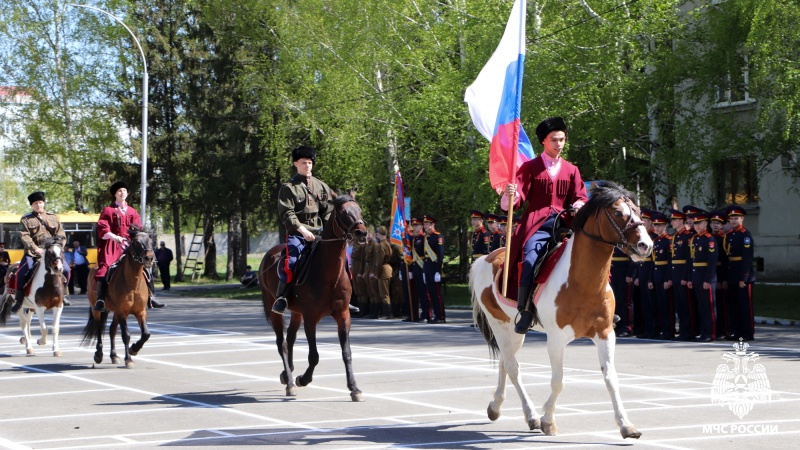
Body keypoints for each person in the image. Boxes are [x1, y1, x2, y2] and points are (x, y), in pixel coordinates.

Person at [503, 117, 588, 334]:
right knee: (530, 259)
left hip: (564, 223)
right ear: (544, 141)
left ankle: (597, 304)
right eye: (554, 140)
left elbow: (580, 196)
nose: (559, 144)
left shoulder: (572, 169)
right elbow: (518, 197)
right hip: (537, 225)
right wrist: (510, 194)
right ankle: (525, 311)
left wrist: (579, 205)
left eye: (562, 139)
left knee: (591, 253)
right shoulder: (529, 167)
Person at [272, 145, 335, 315]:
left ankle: (343, 298)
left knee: (341, 261)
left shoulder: (321, 186)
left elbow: (328, 212)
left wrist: (329, 232)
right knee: (292, 262)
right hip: (298, 233)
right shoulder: (289, 187)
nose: (307, 166)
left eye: (309, 162)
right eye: (303, 163)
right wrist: (302, 231)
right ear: (295, 164)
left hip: (319, 233)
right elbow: (287, 213)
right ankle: (282, 297)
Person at [93, 182, 164, 312]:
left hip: (130, 246)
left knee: (145, 268)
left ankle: (152, 296)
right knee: (104, 270)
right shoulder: (108, 210)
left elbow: (138, 228)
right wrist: (115, 237)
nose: (122, 193)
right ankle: (101, 300)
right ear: (115, 194)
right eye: (119, 191)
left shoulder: (132, 211)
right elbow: (103, 228)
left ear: (127, 193)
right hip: (112, 246)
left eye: (124, 190)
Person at [10, 191, 70, 313]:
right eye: (36, 203)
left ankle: (64, 294)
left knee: (67, 270)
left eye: (40, 203)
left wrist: (58, 246)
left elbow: (61, 233)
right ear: (32, 205)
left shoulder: (52, 217)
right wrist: (35, 249)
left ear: (44, 203)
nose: (39, 205)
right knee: (21, 273)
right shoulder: (26, 219)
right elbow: (24, 236)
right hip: (33, 254)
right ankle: (19, 300)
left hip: (52, 253)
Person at [723, 204, 755, 341]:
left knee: (744, 305)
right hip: (732, 275)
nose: (733, 221)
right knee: (734, 305)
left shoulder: (745, 235)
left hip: (742, 276)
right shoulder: (729, 235)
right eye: (731, 218)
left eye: (736, 218)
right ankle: (738, 332)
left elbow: (747, 257)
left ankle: (748, 333)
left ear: (742, 219)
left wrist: (744, 277)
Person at [687, 211, 718, 342]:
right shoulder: (695, 239)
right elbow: (691, 260)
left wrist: (708, 280)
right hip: (696, 276)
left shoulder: (709, 240)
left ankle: (710, 333)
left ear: (705, 224)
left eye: (699, 223)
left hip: (706, 277)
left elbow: (712, 262)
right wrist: (690, 278)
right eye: (695, 224)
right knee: (701, 306)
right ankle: (703, 332)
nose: (697, 226)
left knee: (709, 306)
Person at [667, 208, 693, 341]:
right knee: (679, 305)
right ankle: (683, 331)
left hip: (682, 274)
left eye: (675, 220)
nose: (672, 222)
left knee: (686, 305)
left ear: (681, 221)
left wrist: (685, 277)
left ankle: (688, 331)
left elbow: (689, 259)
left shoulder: (688, 236)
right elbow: (672, 259)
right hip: (675, 274)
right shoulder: (675, 236)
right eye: (672, 220)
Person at [650, 212, 674, 340]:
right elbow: (653, 262)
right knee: (658, 305)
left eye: (660, 225)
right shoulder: (655, 241)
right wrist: (651, 278)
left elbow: (670, 262)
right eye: (655, 225)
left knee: (667, 306)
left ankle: (668, 330)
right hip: (656, 276)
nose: (657, 228)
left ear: (665, 226)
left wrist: (667, 279)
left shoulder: (668, 241)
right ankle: (659, 329)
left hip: (664, 276)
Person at [709, 210, 730, 339]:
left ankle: (725, 330)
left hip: (720, 273)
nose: (715, 225)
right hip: (712, 274)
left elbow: (725, 260)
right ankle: (716, 329)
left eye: (718, 223)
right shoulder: (710, 238)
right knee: (714, 304)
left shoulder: (723, 238)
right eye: (713, 223)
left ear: (722, 225)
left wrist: (723, 278)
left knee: (722, 305)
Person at [422, 215, 445, 323]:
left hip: (434, 269)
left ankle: (440, 316)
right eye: (425, 224)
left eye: (427, 224)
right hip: (427, 269)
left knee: (437, 295)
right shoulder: (427, 237)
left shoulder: (438, 236)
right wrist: (424, 271)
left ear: (432, 225)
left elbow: (440, 256)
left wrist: (438, 271)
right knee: (431, 294)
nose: (425, 226)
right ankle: (435, 315)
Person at [610, 247, 634, 337]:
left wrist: (630, 274)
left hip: (623, 274)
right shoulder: (612, 241)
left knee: (626, 301)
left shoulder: (626, 242)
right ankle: (618, 326)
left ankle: (627, 327)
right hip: (613, 273)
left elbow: (633, 259)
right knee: (616, 301)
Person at [372, 226, 393, 319]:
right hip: (387, 269)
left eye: (377, 233)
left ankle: (387, 314)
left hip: (383, 270)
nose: (376, 234)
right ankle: (386, 313)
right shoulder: (387, 244)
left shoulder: (381, 245)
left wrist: (376, 273)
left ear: (379, 234)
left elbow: (379, 261)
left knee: (384, 294)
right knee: (385, 293)